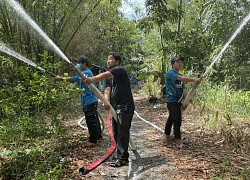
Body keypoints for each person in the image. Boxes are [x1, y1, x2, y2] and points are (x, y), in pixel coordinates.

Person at [85, 52, 135, 167]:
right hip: (115, 107)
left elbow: (106, 75)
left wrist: (92, 79)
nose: (108, 61)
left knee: (122, 131)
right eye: (107, 59)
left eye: (111, 59)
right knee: (116, 131)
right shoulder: (111, 77)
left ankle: (122, 158)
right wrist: (106, 101)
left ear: (117, 61)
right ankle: (121, 155)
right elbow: (107, 89)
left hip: (125, 106)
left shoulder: (119, 70)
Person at [54, 55, 102, 144]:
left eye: (79, 63)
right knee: (94, 119)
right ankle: (98, 136)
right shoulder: (84, 73)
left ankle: (93, 140)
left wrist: (60, 78)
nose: (77, 65)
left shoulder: (86, 73)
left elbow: (73, 79)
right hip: (89, 100)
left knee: (91, 121)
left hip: (90, 101)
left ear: (84, 64)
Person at [165, 56, 201, 149]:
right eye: (177, 62)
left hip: (179, 101)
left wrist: (186, 101)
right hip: (172, 101)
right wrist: (194, 80)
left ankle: (167, 136)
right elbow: (181, 78)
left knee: (171, 118)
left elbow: (184, 89)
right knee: (177, 120)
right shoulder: (170, 73)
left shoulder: (180, 75)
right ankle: (178, 140)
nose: (180, 63)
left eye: (181, 62)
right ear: (173, 64)